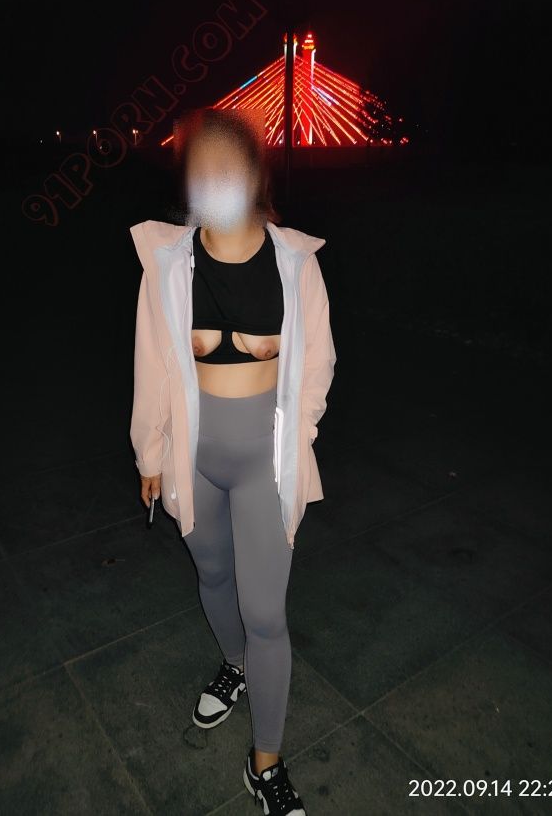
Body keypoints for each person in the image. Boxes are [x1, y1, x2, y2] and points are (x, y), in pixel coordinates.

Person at [129, 107, 336, 815]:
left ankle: (265, 761)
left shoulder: (295, 264)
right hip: (193, 456)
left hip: (263, 461)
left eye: (228, 169)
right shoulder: (168, 264)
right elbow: (153, 365)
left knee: (266, 610)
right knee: (213, 574)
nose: (215, 183)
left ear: (253, 177)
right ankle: (235, 663)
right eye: (203, 171)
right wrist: (150, 450)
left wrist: (297, 435)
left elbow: (319, 363)